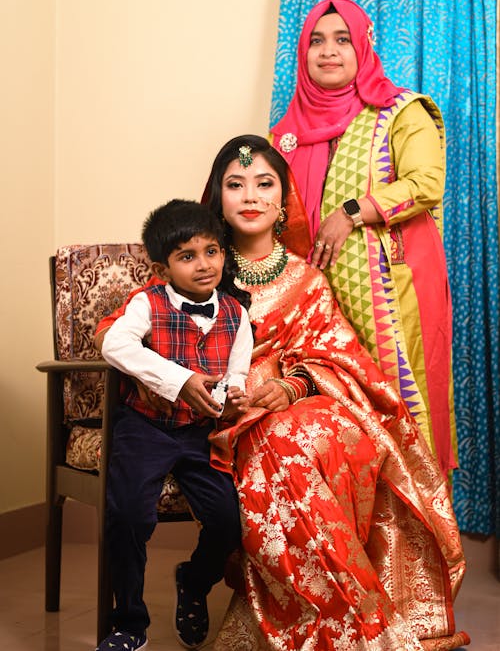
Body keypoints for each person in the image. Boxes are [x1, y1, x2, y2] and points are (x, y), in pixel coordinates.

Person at [98, 137, 469, 650]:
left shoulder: (307, 278)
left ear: (284, 199)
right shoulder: (195, 261)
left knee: (339, 433)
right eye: (235, 184)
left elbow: (336, 353)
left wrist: (289, 385)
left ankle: (346, 611)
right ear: (218, 200)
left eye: (264, 183)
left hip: (282, 400)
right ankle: (323, 619)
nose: (250, 195)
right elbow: (118, 331)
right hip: (213, 413)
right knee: (287, 446)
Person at [270, 0, 456, 477]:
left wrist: (351, 213)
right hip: (313, 300)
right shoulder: (285, 134)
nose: (328, 51)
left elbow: (426, 183)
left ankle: (416, 547)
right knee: (328, 413)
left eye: (342, 39)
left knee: (398, 407)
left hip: (394, 293)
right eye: (316, 40)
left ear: (363, 48)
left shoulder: (399, 111)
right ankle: (339, 545)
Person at [96, 200, 253, 651]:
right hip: (144, 426)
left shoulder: (236, 314)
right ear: (163, 269)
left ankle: (194, 582)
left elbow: (236, 373)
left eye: (212, 251)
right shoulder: (147, 303)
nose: (204, 265)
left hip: (198, 433)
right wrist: (179, 380)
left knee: (228, 520)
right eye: (187, 256)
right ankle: (128, 621)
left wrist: (232, 396)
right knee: (127, 514)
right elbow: (117, 346)